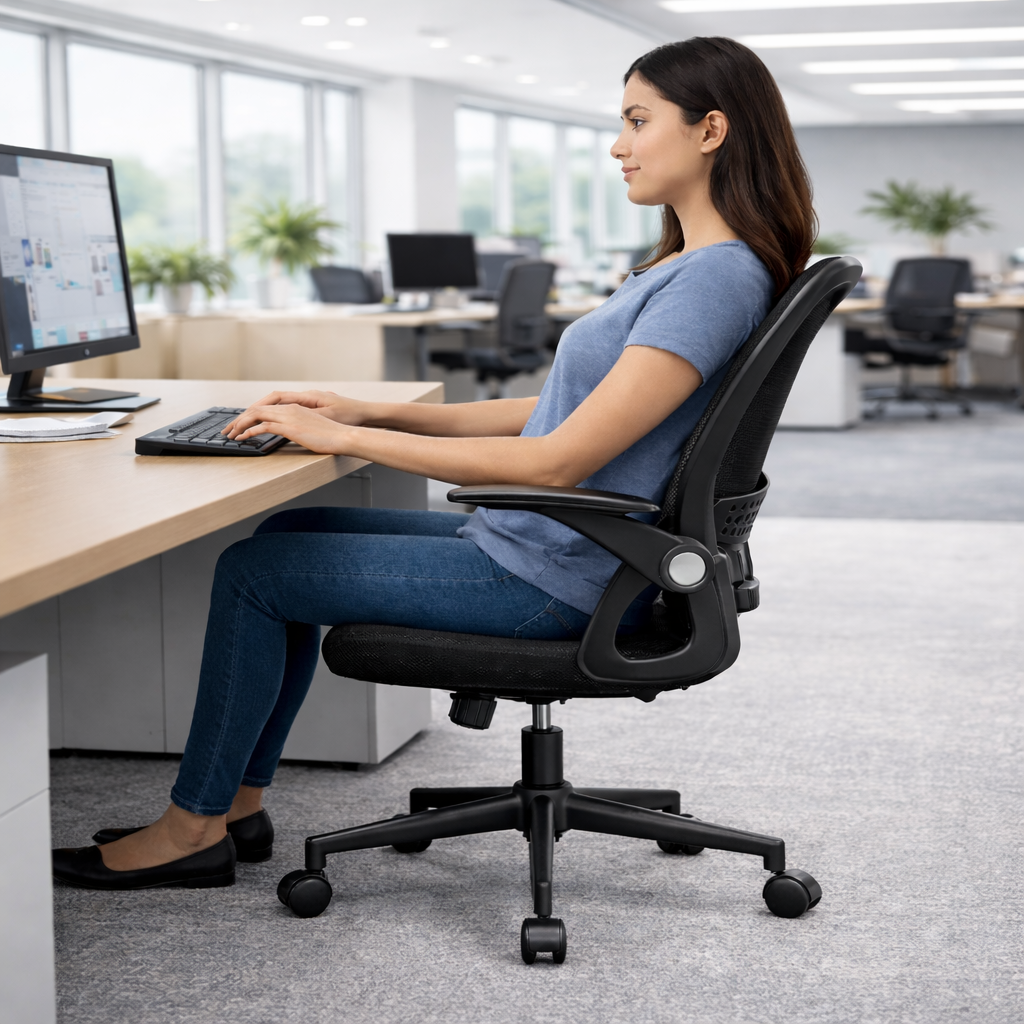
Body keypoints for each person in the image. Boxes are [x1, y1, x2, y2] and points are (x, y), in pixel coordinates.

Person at [53, 36, 815, 890]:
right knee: (288, 531)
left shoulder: (715, 278)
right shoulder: (689, 266)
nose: (618, 144)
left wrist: (347, 442)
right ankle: (234, 806)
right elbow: (564, 411)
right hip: (565, 551)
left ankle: (193, 827)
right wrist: (364, 407)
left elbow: (562, 459)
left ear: (710, 130)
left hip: (563, 576)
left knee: (254, 572)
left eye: (638, 121)